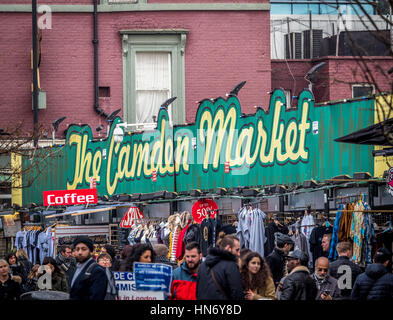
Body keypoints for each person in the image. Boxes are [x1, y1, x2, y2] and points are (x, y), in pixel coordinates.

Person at [196, 234, 244, 300]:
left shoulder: (203, 265)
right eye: (237, 250)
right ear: (228, 248)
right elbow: (237, 294)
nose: (239, 254)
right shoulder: (231, 266)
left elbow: (198, 291)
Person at [69, 236, 108, 300]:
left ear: (91, 251)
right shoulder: (76, 268)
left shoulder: (97, 271)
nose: (80, 252)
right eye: (77, 249)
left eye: (84, 249)